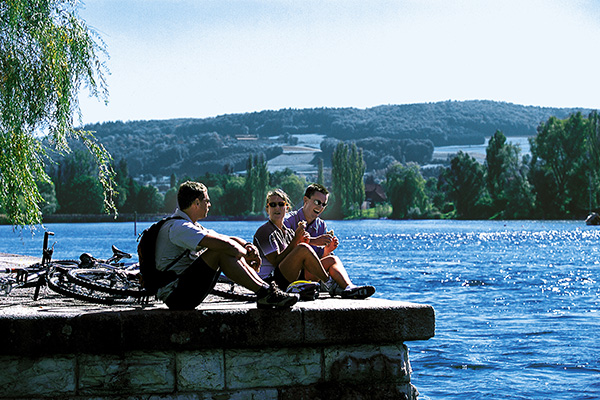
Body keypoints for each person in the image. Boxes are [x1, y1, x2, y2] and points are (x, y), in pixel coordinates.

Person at [154, 181, 299, 310]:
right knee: (220, 251)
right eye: (207, 201)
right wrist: (247, 254)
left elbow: (226, 238)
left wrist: (248, 245)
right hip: (176, 296)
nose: (209, 205)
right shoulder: (180, 227)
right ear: (197, 203)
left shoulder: (189, 225)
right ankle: (265, 293)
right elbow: (225, 245)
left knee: (223, 247)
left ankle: (266, 292)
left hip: (184, 289)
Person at [284, 183, 376, 299]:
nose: (320, 207)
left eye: (324, 204)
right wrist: (314, 241)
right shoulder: (289, 221)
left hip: (310, 274)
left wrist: (327, 250)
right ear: (306, 200)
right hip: (291, 273)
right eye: (317, 202)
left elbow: (318, 260)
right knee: (322, 257)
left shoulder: (321, 225)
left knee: (333, 259)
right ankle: (334, 286)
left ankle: (349, 288)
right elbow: (285, 252)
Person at [253, 189, 330, 293]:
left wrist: (327, 249)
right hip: (269, 282)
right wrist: (296, 240)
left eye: (281, 204)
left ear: (287, 208)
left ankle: (344, 287)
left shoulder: (287, 232)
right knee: (303, 248)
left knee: (331, 260)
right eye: (273, 205)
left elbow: (295, 256)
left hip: (284, 277)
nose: (277, 208)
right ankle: (329, 283)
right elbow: (276, 261)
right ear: (267, 209)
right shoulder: (264, 231)